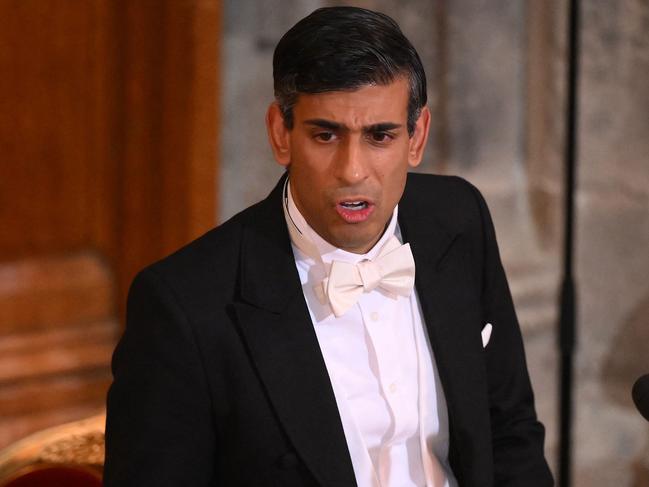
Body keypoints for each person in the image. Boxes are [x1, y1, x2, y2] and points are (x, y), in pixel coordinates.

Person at [104, 6, 553, 487]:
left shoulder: (459, 220)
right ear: (281, 134)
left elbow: (510, 433)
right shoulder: (185, 305)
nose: (353, 171)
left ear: (417, 136)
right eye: (326, 135)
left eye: (380, 136)